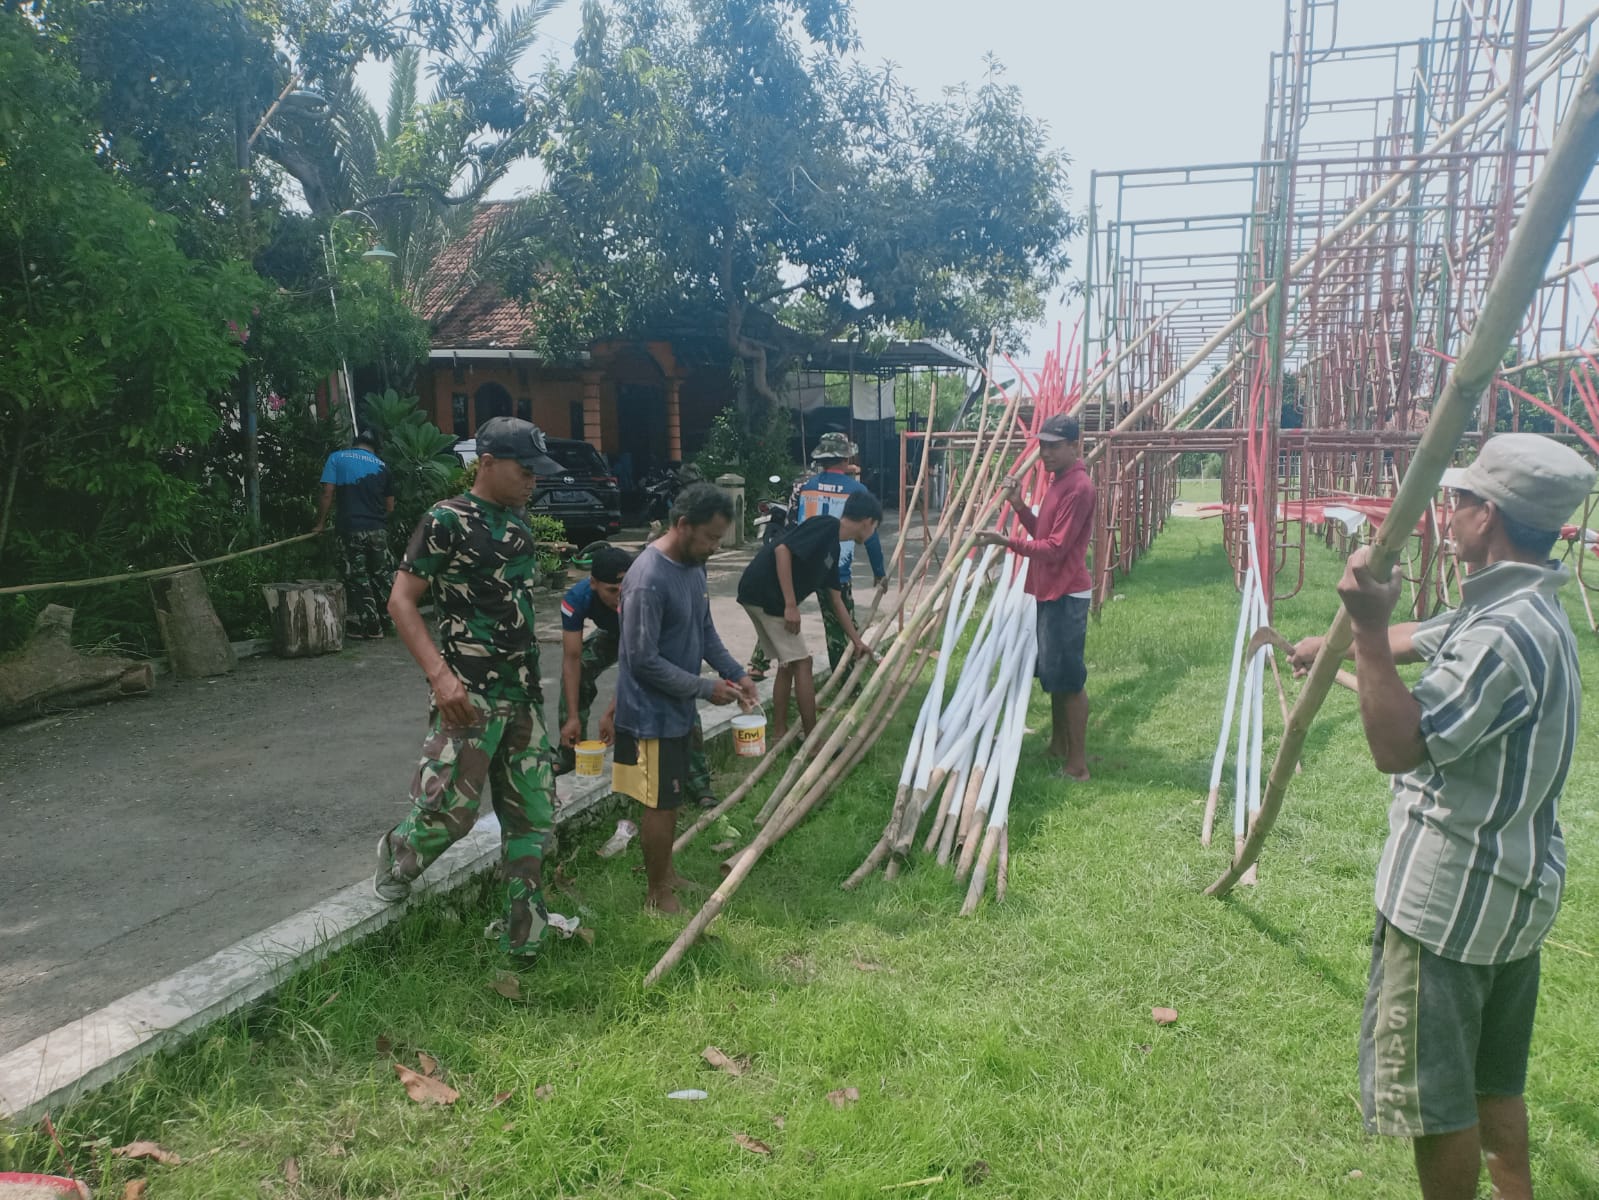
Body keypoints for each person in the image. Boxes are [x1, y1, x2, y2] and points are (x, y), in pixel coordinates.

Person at [1291, 433, 1595, 1200]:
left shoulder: (1500, 635)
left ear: (1484, 515)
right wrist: (1328, 648)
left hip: (1448, 909)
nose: (1445, 512)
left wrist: (1361, 630)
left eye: (1455, 500)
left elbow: (1398, 746)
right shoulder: (1519, 606)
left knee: (1436, 1104)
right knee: (1495, 1081)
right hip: (1509, 895)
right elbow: (1421, 639)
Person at [373, 416, 570, 961]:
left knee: (534, 816)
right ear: (486, 463)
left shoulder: (520, 522)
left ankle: (526, 934)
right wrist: (440, 676)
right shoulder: (445, 521)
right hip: (468, 692)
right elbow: (401, 602)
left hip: (523, 693)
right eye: (524, 470)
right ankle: (400, 852)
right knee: (451, 816)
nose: (533, 480)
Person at [613, 483, 758, 913]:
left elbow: (704, 630)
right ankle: (657, 892)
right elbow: (641, 660)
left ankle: (668, 874)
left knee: (672, 797)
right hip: (648, 714)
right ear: (683, 526)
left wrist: (736, 673)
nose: (716, 546)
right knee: (659, 803)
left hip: (676, 708)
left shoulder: (693, 566)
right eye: (711, 537)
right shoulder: (647, 580)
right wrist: (703, 688)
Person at [975, 413, 1096, 781]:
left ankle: (1077, 765)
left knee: (1070, 680)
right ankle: (1058, 746)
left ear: (1075, 446)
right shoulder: (1058, 482)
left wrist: (1005, 542)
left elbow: (1055, 549)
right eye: (1043, 446)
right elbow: (1042, 531)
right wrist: (1018, 505)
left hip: (1067, 592)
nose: (1046, 453)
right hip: (1049, 589)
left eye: (1055, 446)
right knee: (1054, 675)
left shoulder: (1078, 488)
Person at [738, 490, 880, 744]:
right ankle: (813, 741)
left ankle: (779, 734)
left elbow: (836, 600)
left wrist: (857, 641)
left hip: (758, 593)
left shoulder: (833, 548)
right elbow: (782, 550)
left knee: (788, 663)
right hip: (765, 594)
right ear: (867, 521)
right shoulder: (825, 526)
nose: (873, 534)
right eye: (875, 528)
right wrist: (791, 605)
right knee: (803, 663)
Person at [793, 433, 890, 670]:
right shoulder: (857, 491)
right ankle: (845, 674)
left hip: (803, 563)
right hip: (837, 569)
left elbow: (796, 525)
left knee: (780, 607)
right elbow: (870, 536)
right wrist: (879, 571)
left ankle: (759, 662)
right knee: (840, 625)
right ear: (845, 459)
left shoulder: (806, 488)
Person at [556, 545, 633, 775]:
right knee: (580, 671)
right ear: (593, 583)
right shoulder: (577, 598)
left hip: (654, 642)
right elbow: (572, 658)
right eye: (611, 590)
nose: (620, 598)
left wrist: (611, 713)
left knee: (655, 688)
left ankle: (696, 779)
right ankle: (571, 752)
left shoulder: (644, 596)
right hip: (611, 634)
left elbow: (636, 665)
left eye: (624, 588)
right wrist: (571, 717)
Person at [312, 429, 395, 639]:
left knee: (358, 577)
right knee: (381, 576)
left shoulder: (337, 458)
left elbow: (328, 492)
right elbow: (390, 506)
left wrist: (320, 524)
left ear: (355, 443)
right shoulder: (383, 466)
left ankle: (372, 627)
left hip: (350, 528)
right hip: (378, 529)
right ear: (374, 447)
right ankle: (389, 620)